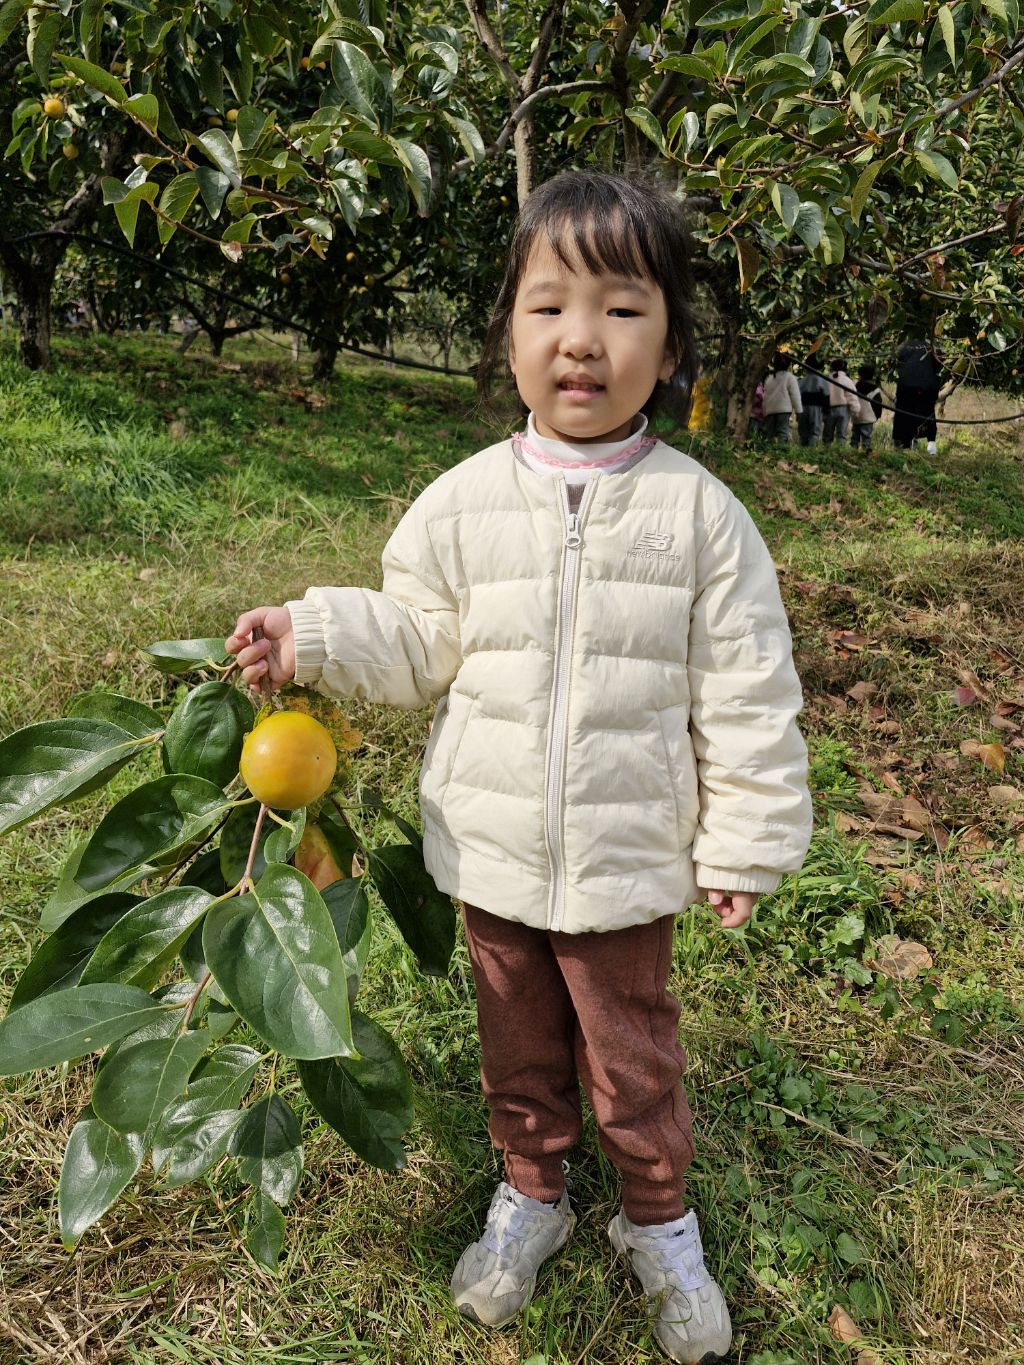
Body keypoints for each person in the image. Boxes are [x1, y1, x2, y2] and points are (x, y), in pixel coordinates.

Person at [226, 170, 812, 1365]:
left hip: (626, 855)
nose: (581, 340)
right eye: (548, 307)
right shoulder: (462, 504)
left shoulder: (701, 517)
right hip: (491, 850)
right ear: (508, 333)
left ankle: (657, 1217)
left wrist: (744, 839)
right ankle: (533, 1190)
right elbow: (416, 638)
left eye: (621, 309)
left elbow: (748, 690)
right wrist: (312, 634)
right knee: (518, 1044)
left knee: (631, 1053)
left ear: (671, 345)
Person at [892, 337, 942, 453]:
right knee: (928, 413)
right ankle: (931, 445)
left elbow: (899, 364)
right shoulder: (933, 346)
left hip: (907, 387)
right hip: (927, 387)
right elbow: (938, 365)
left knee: (904, 414)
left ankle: (905, 445)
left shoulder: (905, 346)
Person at [761, 351, 803, 442]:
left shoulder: (770, 379)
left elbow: (765, 397)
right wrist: (799, 411)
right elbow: (795, 396)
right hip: (783, 410)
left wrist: (764, 412)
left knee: (770, 434)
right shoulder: (789, 377)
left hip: (770, 411)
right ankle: (781, 448)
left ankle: (769, 449)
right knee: (783, 433)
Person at [797, 354, 829, 446]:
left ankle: (802, 449)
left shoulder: (802, 381)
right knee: (814, 432)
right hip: (816, 407)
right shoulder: (822, 379)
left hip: (802, 407)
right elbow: (826, 396)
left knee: (803, 433)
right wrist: (826, 411)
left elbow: (797, 395)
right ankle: (811, 450)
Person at [824, 357, 857, 443]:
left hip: (829, 409)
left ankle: (826, 449)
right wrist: (855, 410)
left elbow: (823, 395)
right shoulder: (847, 380)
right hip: (843, 409)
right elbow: (852, 396)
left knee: (827, 434)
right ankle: (840, 449)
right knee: (841, 434)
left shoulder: (827, 379)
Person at [852, 362, 883, 451]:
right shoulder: (875, 389)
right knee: (866, 439)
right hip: (868, 417)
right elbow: (878, 405)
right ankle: (865, 454)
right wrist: (877, 416)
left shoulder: (855, 387)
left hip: (856, 416)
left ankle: (852, 453)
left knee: (854, 439)